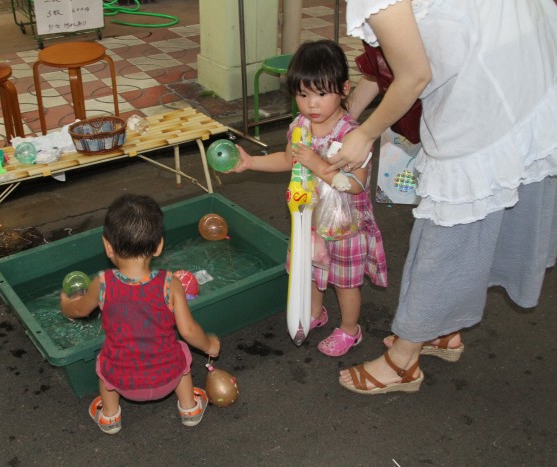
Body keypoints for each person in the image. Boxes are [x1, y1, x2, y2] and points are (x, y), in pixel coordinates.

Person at [333, 0, 557, 394]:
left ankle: (403, 362)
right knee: (486, 215)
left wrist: (365, 133)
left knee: (450, 231)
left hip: (487, 87)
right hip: (523, 61)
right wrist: (348, 117)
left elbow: (413, 74)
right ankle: (443, 329)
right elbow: (391, 59)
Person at [229, 39, 387, 355]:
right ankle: (315, 312)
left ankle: (349, 329)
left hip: (345, 226)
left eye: (321, 93)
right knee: (313, 271)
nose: (311, 104)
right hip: (311, 218)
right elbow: (288, 160)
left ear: (343, 89)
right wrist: (251, 163)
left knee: (345, 282)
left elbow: (355, 184)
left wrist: (319, 165)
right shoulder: (300, 126)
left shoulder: (351, 134)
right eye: (303, 95)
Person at [60, 193, 220, 434]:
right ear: (158, 246)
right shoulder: (170, 284)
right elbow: (188, 331)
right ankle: (190, 409)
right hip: (168, 378)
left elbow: (79, 310)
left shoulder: (102, 283)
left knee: (105, 366)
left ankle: (110, 417)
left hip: (123, 382)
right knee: (181, 354)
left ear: (108, 246)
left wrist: (65, 303)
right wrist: (210, 345)